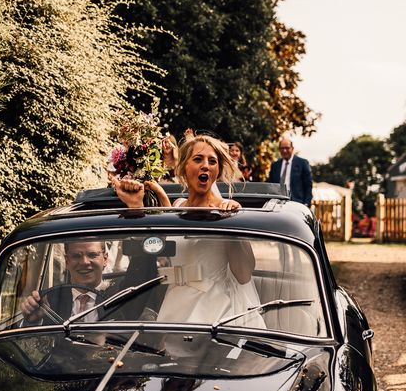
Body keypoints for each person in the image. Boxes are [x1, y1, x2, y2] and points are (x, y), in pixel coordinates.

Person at [113, 135, 264, 328]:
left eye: (212, 161)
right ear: (184, 167)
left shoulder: (226, 210)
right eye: (198, 159)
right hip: (176, 303)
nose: (206, 166)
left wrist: (232, 224)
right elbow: (155, 247)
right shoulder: (177, 206)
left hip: (216, 311)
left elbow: (243, 275)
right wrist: (136, 206)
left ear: (217, 172)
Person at [20, 240, 110, 322]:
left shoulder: (119, 297)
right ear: (67, 261)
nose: (84, 262)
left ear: (105, 259)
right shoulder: (47, 300)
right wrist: (35, 321)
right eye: (76, 256)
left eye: (92, 255)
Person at [268, 136, 313, 206]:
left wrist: (306, 204)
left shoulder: (303, 163)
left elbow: (308, 186)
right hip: (277, 204)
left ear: (292, 148)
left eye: (287, 148)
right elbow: (270, 185)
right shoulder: (275, 165)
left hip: (297, 204)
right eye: (282, 148)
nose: (284, 150)